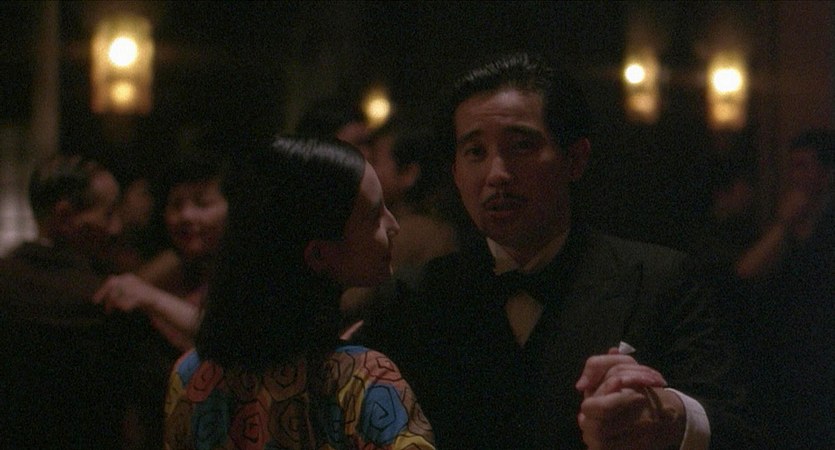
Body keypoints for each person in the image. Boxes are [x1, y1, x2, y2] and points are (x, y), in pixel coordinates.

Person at [359, 51, 756, 449]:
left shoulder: (658, 282)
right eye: (475, 152)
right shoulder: (410, 299)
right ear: (455, 172)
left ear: (575, 159)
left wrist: (670, 416)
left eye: (521, 146)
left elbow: (738, 429)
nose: (497, 174)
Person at [163, 136, 434, 449]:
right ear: (318, 254)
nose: (393, 224)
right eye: (374, 215)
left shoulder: (190, 375)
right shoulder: (365, 380)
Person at [0, 153, 140, 449]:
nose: (116, 228)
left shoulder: (8, 276)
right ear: (64, 217)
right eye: (108, 214)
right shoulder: (101, 296)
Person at [730, 129, 835, 448]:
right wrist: (784, 223)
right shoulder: (786, 226)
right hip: (784, 363)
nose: (794, 176)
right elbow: (746, 271)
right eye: (792, 166)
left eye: (803, 166)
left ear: (826, 173)